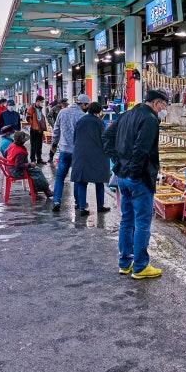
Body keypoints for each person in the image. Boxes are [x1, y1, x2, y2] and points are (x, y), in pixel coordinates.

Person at [102, 89, 168, 280]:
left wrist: (118, 161)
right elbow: (141, 150)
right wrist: (135, 171)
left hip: (123, 175)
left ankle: (125, 263)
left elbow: (107, 137)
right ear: (156, 103)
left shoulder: (126, 115)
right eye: (163, 106)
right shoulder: (150, 120)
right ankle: (140, 266)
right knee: (142, 223)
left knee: (127, 219)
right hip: (138, 179)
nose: (163, 110)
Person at [50, 94, 90, 211]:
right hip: (77, 152)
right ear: (82, 104)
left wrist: (53, 145)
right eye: (86, 105)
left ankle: (56, 200)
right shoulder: (83, 116)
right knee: (77, 177)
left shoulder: (62, 112)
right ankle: (78, 203)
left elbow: (56, 130)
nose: (86, 107)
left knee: (60, 176)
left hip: (64, 150)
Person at [71, 102, 111, 216]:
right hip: (97, 156)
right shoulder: (99, 122)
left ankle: (82, 207)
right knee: (99, 181)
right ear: (98, 111)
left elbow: (75, 138)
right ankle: (100, 206)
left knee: (82, 182)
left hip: (81, 155)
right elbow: (104, 139)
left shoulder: (80, 121)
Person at [5, 131, 53, 199]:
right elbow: (18, 165)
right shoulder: (20, 152)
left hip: (9, 168)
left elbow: (5, 153)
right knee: (37, 171)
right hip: (15, 171)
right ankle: (46, 190)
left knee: (35, 170)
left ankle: (35, 191)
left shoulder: (12, 145)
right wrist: (29, 165)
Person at [25, 95, 48, 164]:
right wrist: (32, 124)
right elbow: (28, 117)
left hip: (40, 130)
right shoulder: (31, 108)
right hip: (34, 130)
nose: (42, 103)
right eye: (41, 102)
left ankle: (39, 159)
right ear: (37, 101)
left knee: (39, 145)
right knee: (33, 146)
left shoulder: (40, 109)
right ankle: (33, 160)